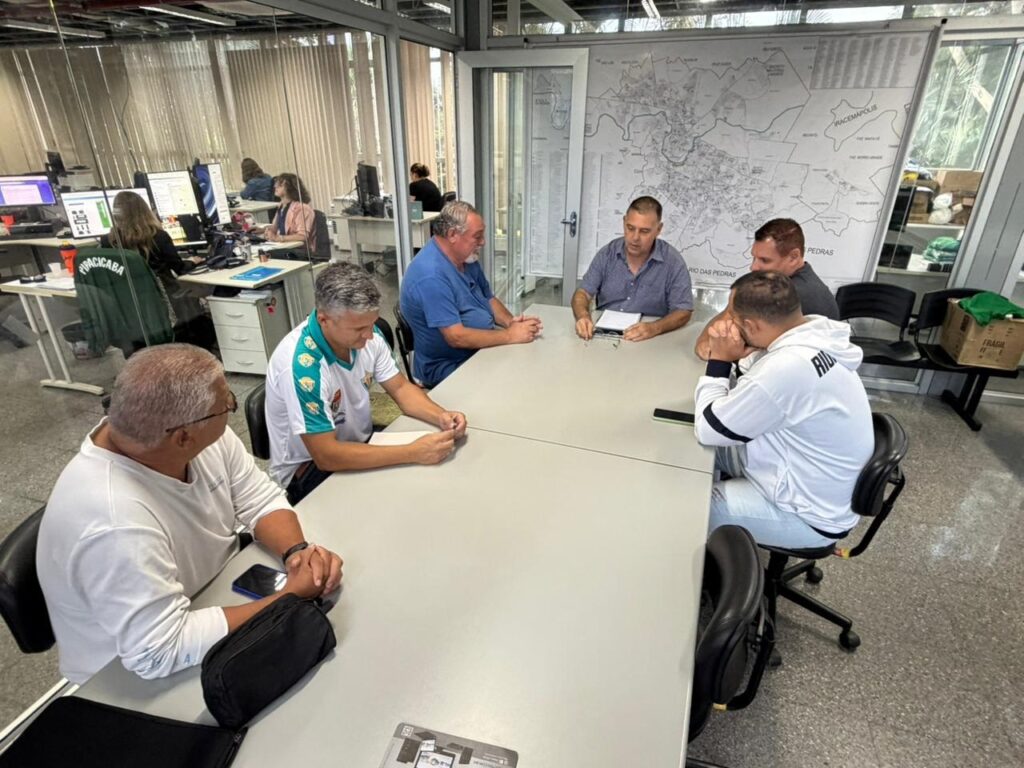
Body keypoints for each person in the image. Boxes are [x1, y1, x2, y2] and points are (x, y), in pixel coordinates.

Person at [37, 344, 343, 684]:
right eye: (227, 404)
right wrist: (288, 597)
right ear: (184, 437)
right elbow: (159, 652)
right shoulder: (112, 521)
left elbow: (259, 498)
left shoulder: (183, 433)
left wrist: (297, 553)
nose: (230, 407)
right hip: (128, 678)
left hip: (211, 595)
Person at [694, 271, 873, 549]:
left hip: (808, 516)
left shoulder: (788, 368)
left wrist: (719, 360)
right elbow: (759, 379)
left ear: (751, 325)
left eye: (733, 318)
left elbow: (710, 429)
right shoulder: (814, 334)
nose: (729, 324)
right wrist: (744, 350)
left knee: (691, 507)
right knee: (687, 453)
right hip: (798, 471)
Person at [266, 262, 468, 503]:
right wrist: (413, 452)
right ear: (324, 319)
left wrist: (441, 416)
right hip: (309, 470)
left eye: (372, 324)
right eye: (359, 328)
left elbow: (401, 388)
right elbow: (326, 456)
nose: (370, 335)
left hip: (356, 441)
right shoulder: (301, 367)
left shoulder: (367, 337)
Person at [399, 201, 542, 388]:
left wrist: (511, 323)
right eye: (477, 236)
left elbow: (488, 298)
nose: (483, 242)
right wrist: (509, 336)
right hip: (447, 365)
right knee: (515, 382)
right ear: (452, 235)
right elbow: (456, 337)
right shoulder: (431, 276)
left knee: (530, 366)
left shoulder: (466, 259)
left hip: (476, 351)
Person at [695, 218, 839, 359]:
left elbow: (727, 340)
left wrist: (710, 343)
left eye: (765, 260)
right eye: (754, 258)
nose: (753, 267)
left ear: (794, 257)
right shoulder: (785, 283)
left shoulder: (789, 295)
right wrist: (706, 340)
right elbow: (729, 314)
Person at [100, 190, 213, 348]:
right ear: (144, 211)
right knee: (202, 307)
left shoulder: (108, 241)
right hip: (165, 303)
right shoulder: (158, 236)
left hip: (132, 308)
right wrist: (192, 261)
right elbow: (179, 268)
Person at [572, 196, 693, 341]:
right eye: (630, 228)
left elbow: (683, 311)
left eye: (644, 231)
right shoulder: (607, 254)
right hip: (602, 334)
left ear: (658, 230)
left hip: (649, 338)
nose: (635, 238)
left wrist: (655, 328)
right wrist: (583, 317)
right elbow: (583, 293)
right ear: (624, 222)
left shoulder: (672, 261)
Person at [254, 173, 316, 253]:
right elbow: (275, 227)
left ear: (290, 188)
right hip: (284, 247)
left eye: (280, 185)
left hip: (299, 251)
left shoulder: (302, 208)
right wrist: (262, 230)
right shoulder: (281, 206)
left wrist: (278, 238)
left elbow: (302, 236)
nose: (275, 186)